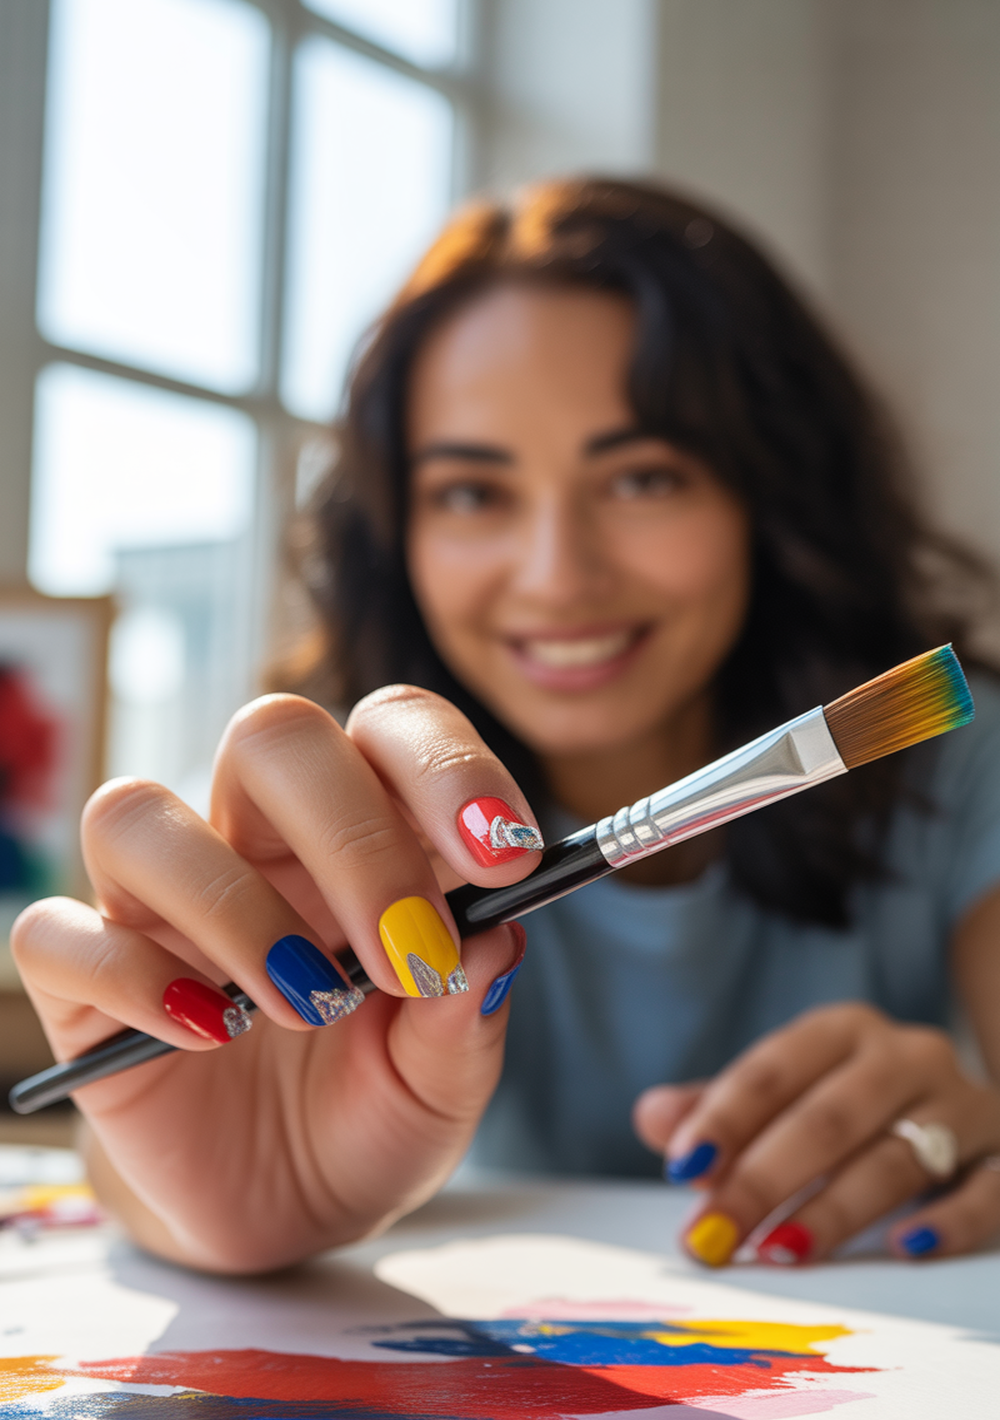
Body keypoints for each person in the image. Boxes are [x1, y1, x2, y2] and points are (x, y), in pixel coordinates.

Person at [13, 178, 1000, 1274]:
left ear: (769, 499)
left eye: (642, 477)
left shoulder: (962, 767)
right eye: (474, 494)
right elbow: (134, 1160)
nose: (557, 576)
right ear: (398, 535)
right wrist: (210, 1199)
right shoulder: (317, 807)